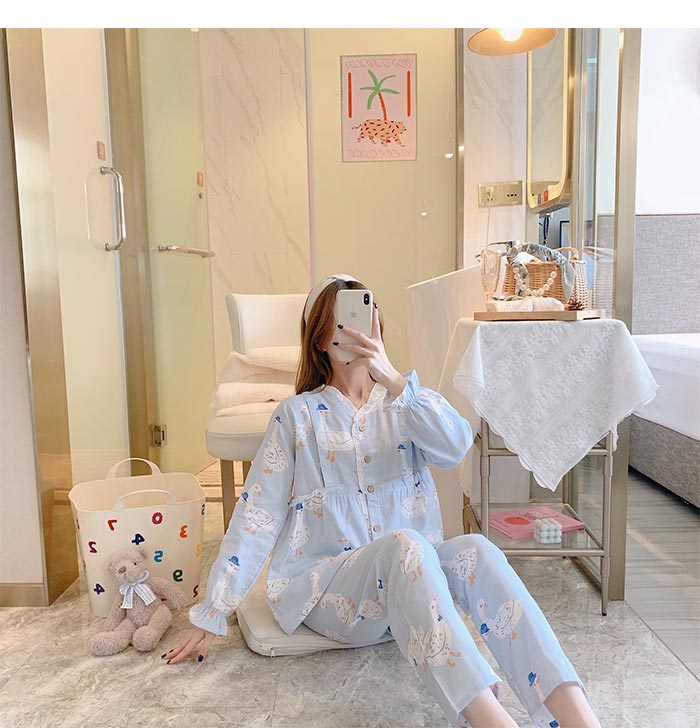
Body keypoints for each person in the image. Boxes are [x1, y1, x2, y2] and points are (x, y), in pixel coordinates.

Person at [163, 274, 603, 728]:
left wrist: (393, 379)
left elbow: (455, 447)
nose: (355, 329)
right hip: (327, 592)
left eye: (363, 314)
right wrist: (212, 612)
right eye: (340, 321)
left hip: (408, 590)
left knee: (479, 549)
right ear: (320, 339)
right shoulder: (296, 416)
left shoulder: (406, 403)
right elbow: (257, 515)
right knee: (405, 544)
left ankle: (577, 718)